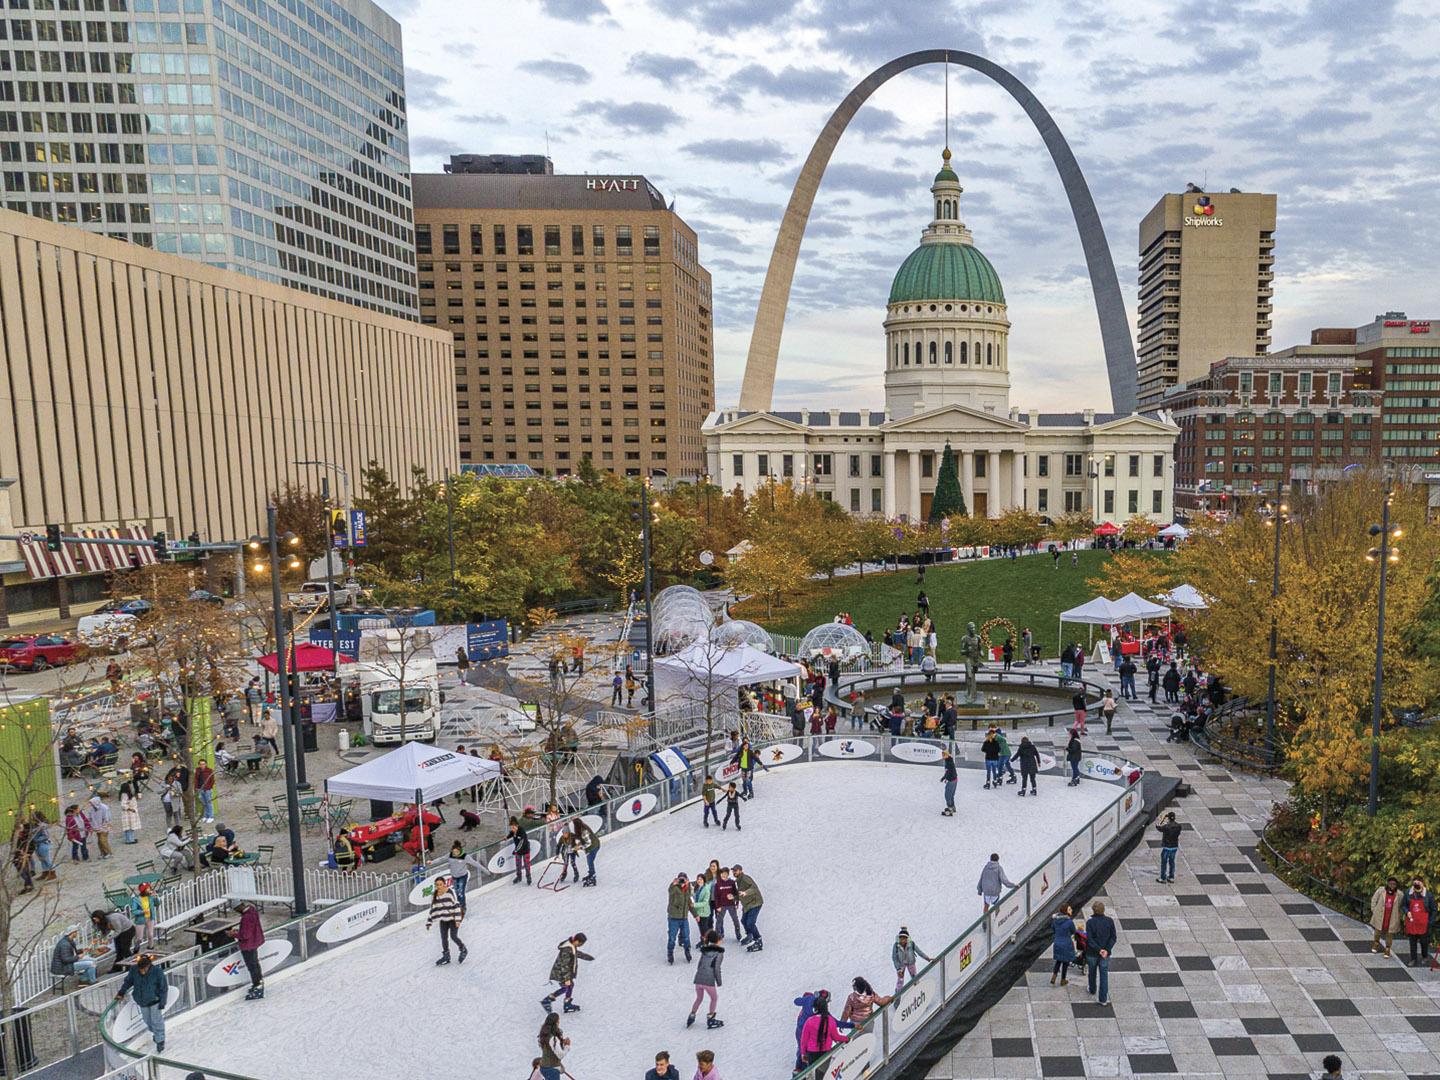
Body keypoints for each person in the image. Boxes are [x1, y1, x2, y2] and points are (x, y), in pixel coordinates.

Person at [113, 952, 168, 1051]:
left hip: (155, 1000)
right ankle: (157, 1034)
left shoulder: (157, 971)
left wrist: (162, 1001)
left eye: (144, 968)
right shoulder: (134, 970)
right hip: (142, 1001)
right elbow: (128, 982)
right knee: (147, 1020)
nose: (142, 971)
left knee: (156, 1020)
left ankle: (160, 1040)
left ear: (148, 965)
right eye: (140, 969)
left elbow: (163, 987)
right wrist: (121, 992)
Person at [541, 933, 592, 1013]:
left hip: (564, 972)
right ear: (577, 941)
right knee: (566, 987)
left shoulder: (571, 945)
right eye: (581, 943)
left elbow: (575, 953)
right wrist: (567, 979)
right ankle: (548, 1000)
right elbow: (564, 965)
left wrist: (587, 957)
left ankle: (566, 1003)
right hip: (561, 973)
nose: (581, 945)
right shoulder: (566, 950)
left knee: (569, 986)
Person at [687, 929, 725, 1030]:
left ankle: (692, 1015)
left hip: (699, 979)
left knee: (699, 998)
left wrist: (700, 975)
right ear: (717, 940)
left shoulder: (704, 951)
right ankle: (711, 1018)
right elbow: (717, 968)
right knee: (714, 998)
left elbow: (699, 965)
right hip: (709, 981)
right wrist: (719, 981)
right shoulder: (719, 953)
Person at [426, 875, 467, 967]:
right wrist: (429, 922)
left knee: (453, 936)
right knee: (444, 938)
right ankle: (446, 955)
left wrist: (457, 920)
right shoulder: (434, 895)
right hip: (443, 920)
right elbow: (433, 909)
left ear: (444, 884)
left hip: (453, 919)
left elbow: (456, 905)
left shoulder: (449, 892)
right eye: (437, 885)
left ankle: (463, 949)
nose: (439, 886)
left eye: (440, 884)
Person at [228, 900, 266, 997]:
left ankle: (257, 985)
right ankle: (259, 983)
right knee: (255, 964)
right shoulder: (252, 911)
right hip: (254, 942)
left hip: (248, 946)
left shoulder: (246, 918)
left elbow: (245, 935)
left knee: (252, 966)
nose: (236, 911)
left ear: (238, 907)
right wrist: (239, 931)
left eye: (236, 909)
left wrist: (233, 934)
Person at [799, 992, 848, 1066]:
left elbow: (804, 1040)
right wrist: (846, 1039)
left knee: (812, 1069)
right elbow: (836, 1037)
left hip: (812, 1052)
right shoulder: (830, 1020)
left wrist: (803, 1053)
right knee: (824, 1069)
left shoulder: (809, 1021)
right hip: (826, 1051)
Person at [1084, 901, 1117, 1006]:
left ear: (1093, 910)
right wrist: (1106, 950)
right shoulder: (1109, 921)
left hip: (1092, 953)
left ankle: (1092, 989)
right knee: (1104, 975)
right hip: (1105, 954)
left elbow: (1090, 940)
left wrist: (1099, 950)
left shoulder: (1090, 922)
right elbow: (1113, 937)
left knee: (1092, 972)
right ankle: (1103, 999)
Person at [1371, 876, 1405, 958]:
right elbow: (1374, 899)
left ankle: (1387, 948)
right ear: (1387, 884)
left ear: (1396, 885)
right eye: (1390, 884)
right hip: (1380, 914)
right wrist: (1374, 910)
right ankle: (1376, 943)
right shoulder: (1381, 890)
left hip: (1392, 916)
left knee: (1389, 933)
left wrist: (1399, 915)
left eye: (1394, 884)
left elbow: (1402, 905)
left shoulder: (1400, 894)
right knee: (1377, 931)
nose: (1392, 886)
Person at [1403, 878, 1433, 967]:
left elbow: (1433, 909)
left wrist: (1430, 921)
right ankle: (1413, 959)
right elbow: (1404, 905)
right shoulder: (1408, 893)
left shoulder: (1428, 895)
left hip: (1423, 922)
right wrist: (1407, 912)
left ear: (1422, 883)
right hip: (1412, 921)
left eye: (1419, 882)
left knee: (1424, 941)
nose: (1417, 884)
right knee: (1412, 942)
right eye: (1415, 883)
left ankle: (1425, 956)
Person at [733, 864, 764, 952]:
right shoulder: (738, 881)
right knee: (744, 921)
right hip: (747, 905)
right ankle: (750, 935)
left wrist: (746, 893)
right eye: (733, 871)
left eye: (736, 870)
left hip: (755, 903)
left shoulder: (745, 878)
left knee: (750, 923)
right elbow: (740, 894)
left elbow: (754, 888)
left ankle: (758, 940)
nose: (734, 872)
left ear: (741, 870)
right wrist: (734, 898)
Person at [668, 872, 694, 964]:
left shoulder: (687, 888)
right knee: (672, 937)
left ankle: (687, 951)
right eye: (681, 879)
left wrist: (695, 915)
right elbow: (670, 891)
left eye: (684, 879)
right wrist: (673, 884)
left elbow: (689, 902)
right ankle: (670, 953)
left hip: (684, 917)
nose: (682, 881)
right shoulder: (674, 888)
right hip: (674, 918)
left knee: (686, 937)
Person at [536, 1014, 569, 1080]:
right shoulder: (552, 1038)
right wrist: (567, 1046)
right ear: (555, 1023)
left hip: (544, 1067)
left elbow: (550, 1051)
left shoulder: (545, 1035)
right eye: (558, 1021)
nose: (559, 1022)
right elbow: (560, 1055)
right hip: (551, 1069)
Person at [1050, 904, 1077, 985]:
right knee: (1065, 962)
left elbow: (1053, 928)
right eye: (1069, 909)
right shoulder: (1069, 922)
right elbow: (1073, 931)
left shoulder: (1055, 920)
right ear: (1066, 911)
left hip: (1057, 943)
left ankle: (1054, 976)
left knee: (1058, 960)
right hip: (1066, 944)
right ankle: (1063, 980)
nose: (1071, 910)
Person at [713, 866, 742, 940]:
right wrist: (717, 906)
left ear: (728, 874)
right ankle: (717, 936)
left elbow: (736, 893)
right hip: (721, 906)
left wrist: (737, 903)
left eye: (725, 873)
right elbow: (716, 896)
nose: (723, 875)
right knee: (719, 921)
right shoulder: (718, 884)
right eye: (722, 873)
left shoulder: (732, 882)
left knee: (735, 920)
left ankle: (738, 935)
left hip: (731, 905)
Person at [446, 840, 473, 910]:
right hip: (455, 876)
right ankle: (460, 904)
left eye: (456, 851)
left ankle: (463, 906)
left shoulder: (464, 856)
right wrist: (432, 862)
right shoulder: (450, 855)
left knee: (461, 891)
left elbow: (474, 863)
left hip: (462, 876)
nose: (455, 853)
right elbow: (441, 859)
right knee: (457, 891)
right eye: (453, 851)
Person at [1156, 812, 1182, 883]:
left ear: (1168, 818)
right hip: (1174, 847)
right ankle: (1171, 877)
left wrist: (1161, 819)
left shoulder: (1166, 827)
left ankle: (1163, 878)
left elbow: (1158, 827)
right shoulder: (1179, 826)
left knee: (1164, 863)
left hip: (1167, 847)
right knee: (1172, 862)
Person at [574, 818, 600, 887]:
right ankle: (591, 874)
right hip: (594, 845)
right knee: (589, 862)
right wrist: (578, 845)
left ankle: (593, 876)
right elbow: (583, 840)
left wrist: (579, 847)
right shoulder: (582, 829)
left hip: (593, 847)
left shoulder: (584, 831)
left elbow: (588, 843)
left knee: (590, 862)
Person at [87, 795, 113, 860]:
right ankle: (102, 853)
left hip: (104, 827)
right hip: (97, 828)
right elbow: (90, 818)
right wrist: (92, 826)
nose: (91, 805)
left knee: (103, 840)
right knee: (99, 841)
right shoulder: (91, 809)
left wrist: (103, 826)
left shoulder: (104, 808)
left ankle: (108, 853)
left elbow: (107, 819)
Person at [31, 812, 55, 881]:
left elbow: (46, 835)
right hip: (37, 845)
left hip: (43, 844)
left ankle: (52, 872)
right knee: (42, 859)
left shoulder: (42, 826)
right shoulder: (35, 825)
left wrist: (36, 840)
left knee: (47, 859)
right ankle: (45, 872)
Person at [509, 816, 533, 885]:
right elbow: (511, 834)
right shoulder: (513, 831)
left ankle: (528, 877)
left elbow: (521, 843)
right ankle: (519, 877)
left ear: (517, 825)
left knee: (526, 865)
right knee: (518, 865)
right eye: (511, 827)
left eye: (513, 827)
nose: (512, 829)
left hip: (525, 850)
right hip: (518, 851)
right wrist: (506, 837)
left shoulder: (522, 831)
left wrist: (515, 850)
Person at [194, 759, 216, 823]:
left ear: (205, 764)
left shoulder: (209, 770)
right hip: (200, 789)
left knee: (209, 803)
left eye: (203, 764)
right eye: (200, 764)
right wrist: (196, 788)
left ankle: (211, 816)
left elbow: (212, 780)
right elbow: (195, 779)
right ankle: (206, 816)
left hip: (207, 789)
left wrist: (209, 787)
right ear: (199, 765)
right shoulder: (197, 770)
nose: (202, 765)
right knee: (203, 803)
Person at [940, 749, 958, 816]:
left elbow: (949, 772)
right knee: (951, 795)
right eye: (942, 755)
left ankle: (950, 810)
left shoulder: (949, 763)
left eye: (944, 755)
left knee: (947, 795)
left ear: (947, 755)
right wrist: (944, 777)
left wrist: (945, 778)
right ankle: (953, 807)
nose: (943, 756)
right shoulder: (949, 760)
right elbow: (948, 772)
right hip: (954, 780)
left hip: (952, 780)